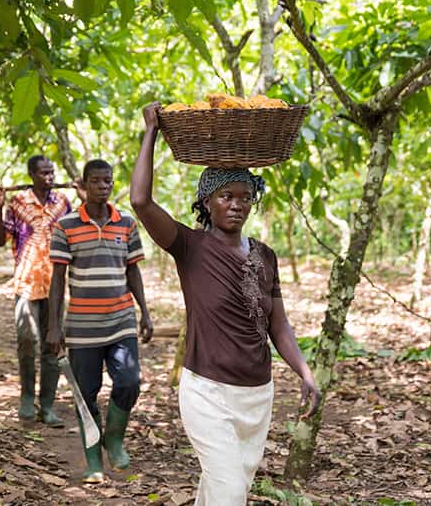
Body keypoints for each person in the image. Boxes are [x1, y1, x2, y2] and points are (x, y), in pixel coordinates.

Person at [129, 102, 321, 505]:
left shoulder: (265, 256)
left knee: (222, 489)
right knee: (231, 492)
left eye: (245, 197)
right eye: (225, 196)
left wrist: (304, 371)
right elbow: (141, 202)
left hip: (257, 395)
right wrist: (151, 132)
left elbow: (278, 326)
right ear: (207, 202)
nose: (237, 204)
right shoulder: (190, 247)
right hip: (207, 392)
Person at [46, 159, 153, 484]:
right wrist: (54, 326)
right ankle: (94, 461)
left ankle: (114, 440)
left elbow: (133, 270)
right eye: (96, 181)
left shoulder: (127, 224)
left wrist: (145, 312)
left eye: (107, 181)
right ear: (84, 184)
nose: (103, 186)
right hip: (82, 328)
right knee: (86, 395)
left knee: (129, 383)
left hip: (121, 322)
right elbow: (57, 279)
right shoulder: (65, 226)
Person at [0, 155, 72, 426]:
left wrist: (85, 199)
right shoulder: (18, 203)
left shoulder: (62, 203)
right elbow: (0, 240)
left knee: (53, 343)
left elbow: (76, 235)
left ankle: (47, 405)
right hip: (25, 282)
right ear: (31, 174)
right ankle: (27, 397)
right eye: (43, 173)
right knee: (27, 341)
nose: (49, 177)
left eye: (52, 172)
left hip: (55, 285)